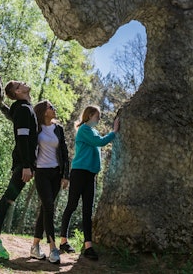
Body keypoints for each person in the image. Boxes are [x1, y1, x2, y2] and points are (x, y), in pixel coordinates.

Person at [58, 105, 120, 261]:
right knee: (72, 205)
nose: (99, 118)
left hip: (90, 175)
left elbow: (98, 141)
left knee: (88, 210)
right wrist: (115, 131)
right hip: (79, 173)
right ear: (90, 115)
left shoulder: (94, 131)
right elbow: (100, 142)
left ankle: (88, 246)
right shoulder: (85, 129)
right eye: (97, 115)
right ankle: (63, 241)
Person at [0, 80, 38, 260]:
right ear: (17, 92)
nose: (23, 83)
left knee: (9, 198)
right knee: (8, 198)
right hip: (23, 164)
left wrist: (1, 105)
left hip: (24, 163)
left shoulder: (21, 108)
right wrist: (26, 165)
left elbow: (12, 116)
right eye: (19, 85)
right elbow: (22, 138)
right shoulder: (23, 109)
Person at [29, 100, 70, 264]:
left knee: (46, 208)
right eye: (51, 107)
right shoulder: (36, 128)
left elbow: (65, 153)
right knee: (49, 208)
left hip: (56, 173)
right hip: (41, 173)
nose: (54, 109)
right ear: (44, 111)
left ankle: (34, 246)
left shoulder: (58, 129)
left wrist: (66, 175)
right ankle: (53, 248)